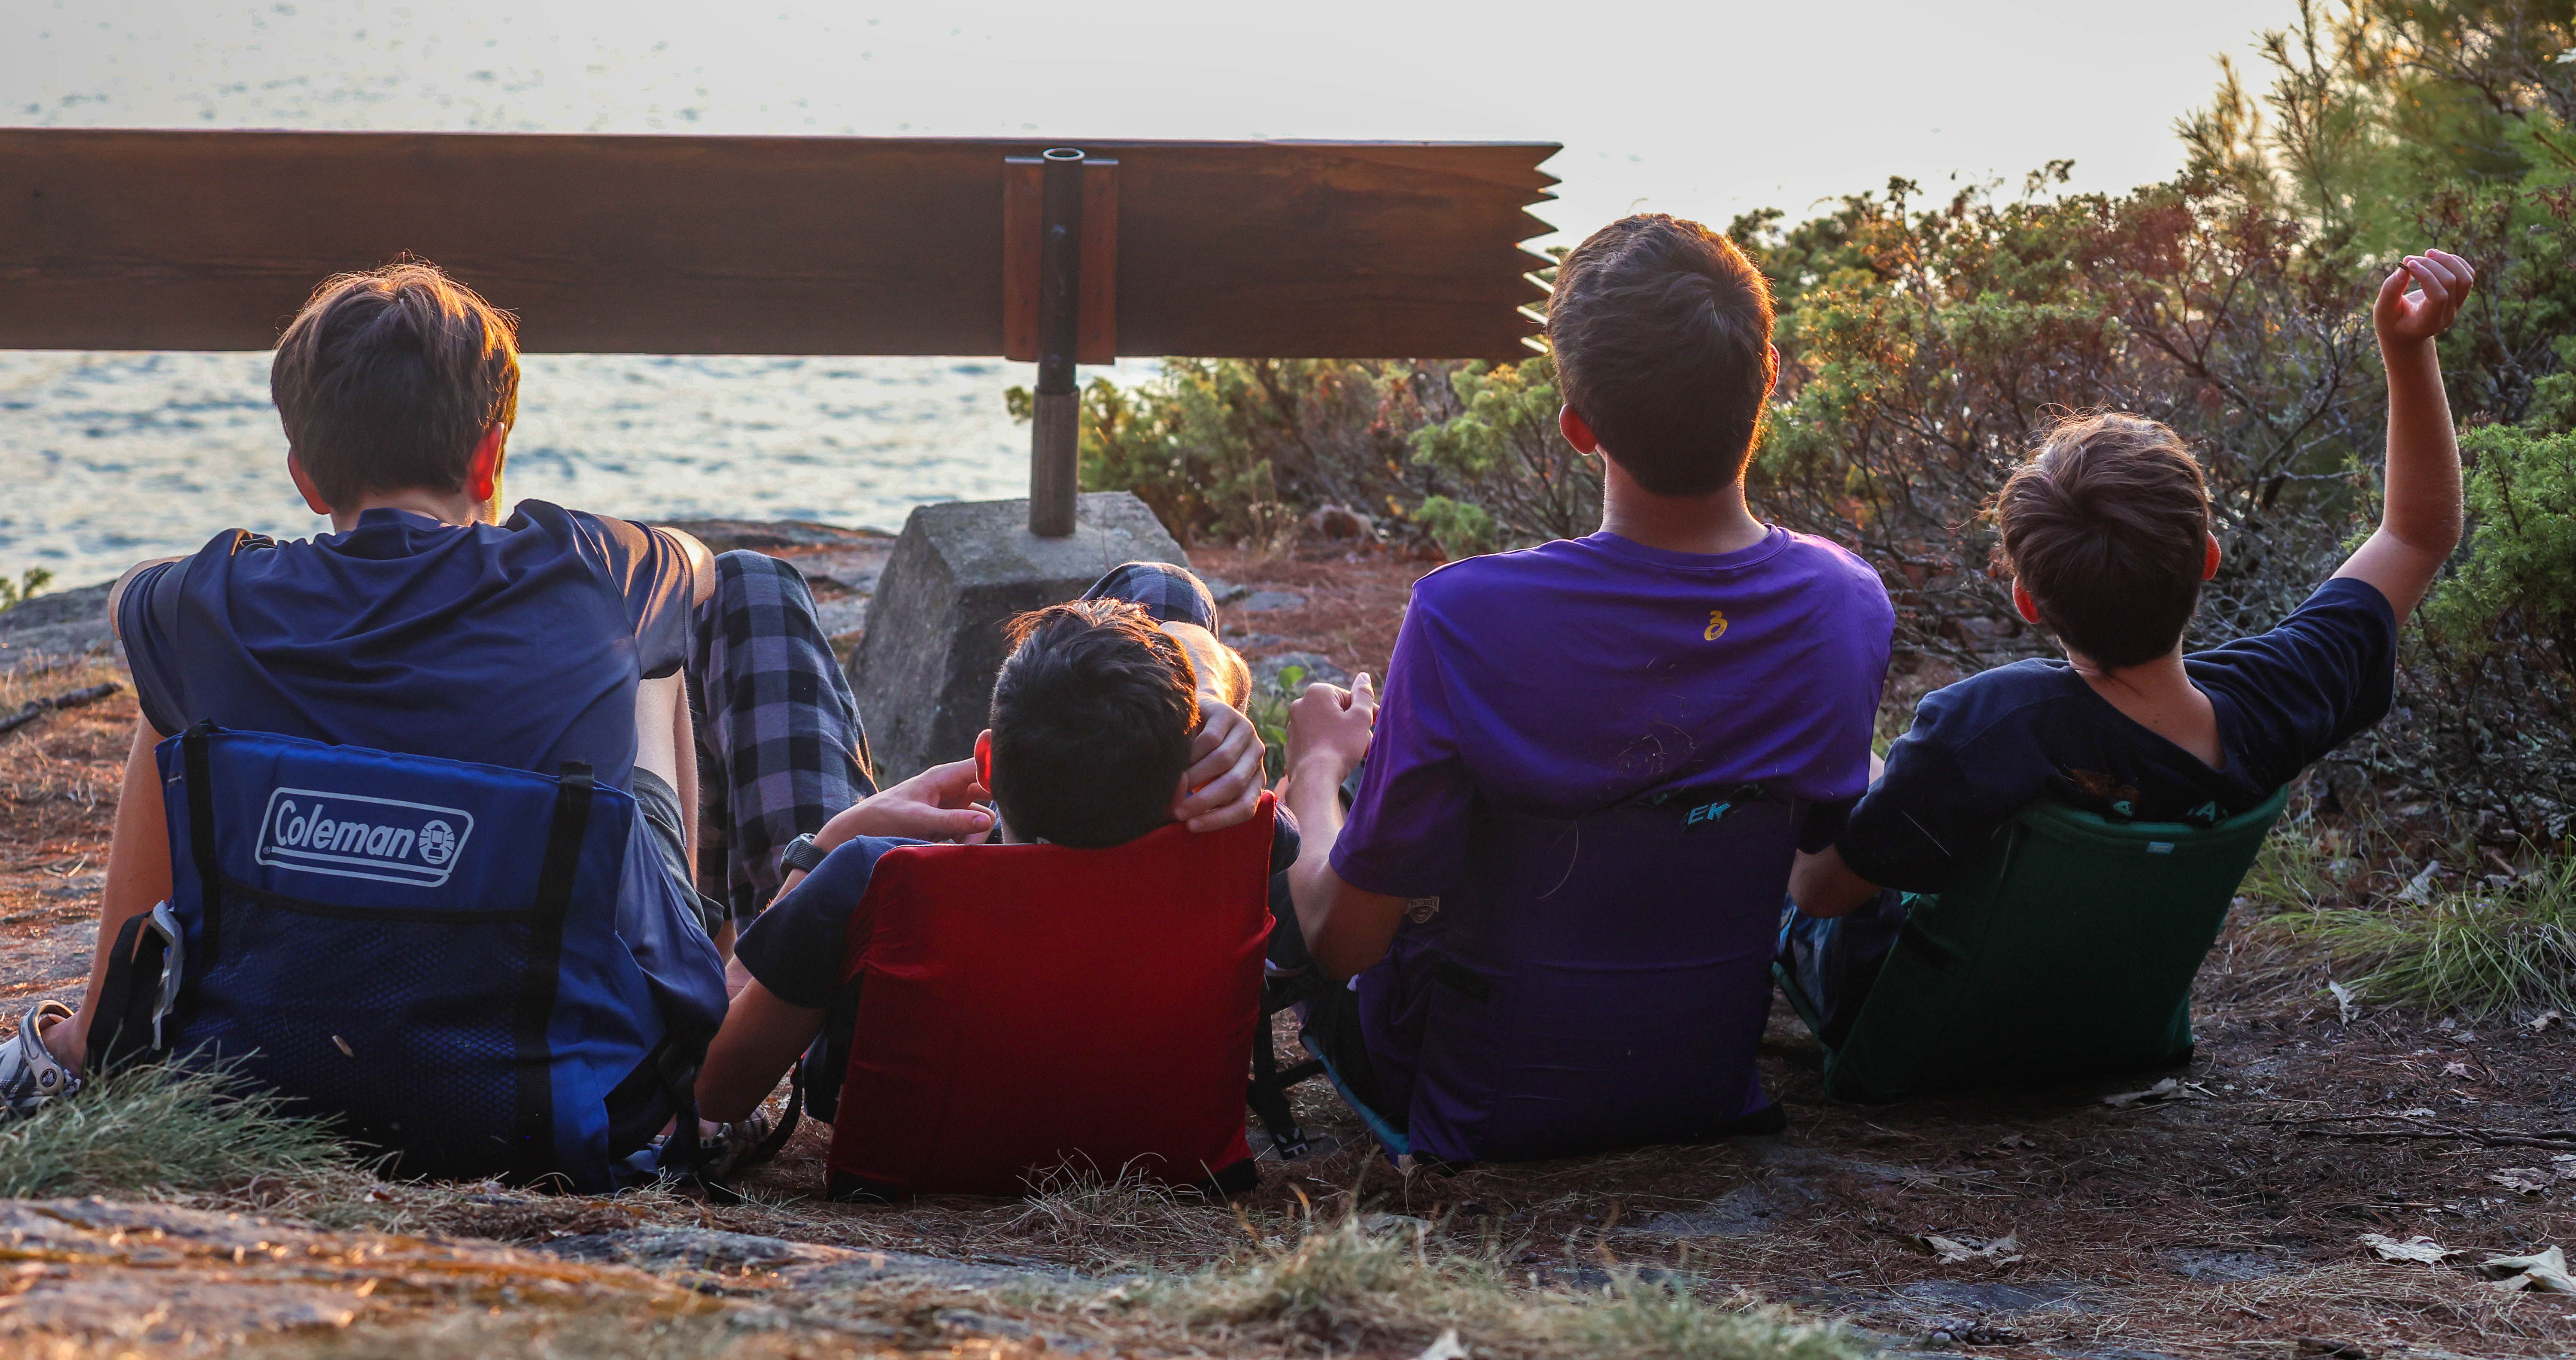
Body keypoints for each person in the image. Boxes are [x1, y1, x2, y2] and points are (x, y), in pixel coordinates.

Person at [0, 262, 1266, 1120]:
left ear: (301, 474)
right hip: (593, 1058)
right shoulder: (598, 568)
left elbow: (130, 609)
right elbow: (708, 574)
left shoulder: (194, 605)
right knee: (717, 615)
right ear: (490, 454)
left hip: (287, 1040)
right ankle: (750, 943)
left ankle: (106, 1025)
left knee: (174, 706)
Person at [1275, 214, 1896, 1166]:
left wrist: (1317, 771)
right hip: (1702, 1076)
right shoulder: (1845, 601)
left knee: (1295, 837)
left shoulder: (1467, 615)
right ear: (1768, 377)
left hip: (1473, 1094)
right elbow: (1819, 868)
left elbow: (1343, 944)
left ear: (1577, 426)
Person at [1781, 249, 2478, 1038]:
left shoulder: (1986, 728)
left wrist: (1834, 758)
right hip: (2111, 1028)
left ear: (2028, 602)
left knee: (1840, 782)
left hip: (1924, 1033)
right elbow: (2418, 535)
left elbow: (1819, 894)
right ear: (2208, 559)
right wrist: (2408, 351)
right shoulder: (2278, 696)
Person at [694, 596, 1293, 1123]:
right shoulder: (1240, 839)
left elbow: (716, 1092)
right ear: (1186, 779)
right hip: (1151, 1132)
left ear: (984, 762)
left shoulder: (862, 877)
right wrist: (1208, 698)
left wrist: (830, 843)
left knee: (752, 588)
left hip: (904, 1131)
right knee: (1166, 590)